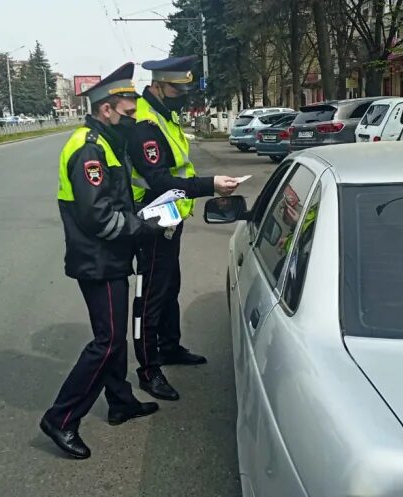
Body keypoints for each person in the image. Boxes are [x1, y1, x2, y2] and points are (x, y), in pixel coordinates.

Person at [40, 63, 163, 460]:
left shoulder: (108, 142)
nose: (133, 120)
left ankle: (121, 401)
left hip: (108, 255)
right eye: (128, 113)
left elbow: (118, 199)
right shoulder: (90, 148)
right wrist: (141, 227)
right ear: (107, 108)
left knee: (111, 337)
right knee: (107, 341)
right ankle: (61, 418)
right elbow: (97, 217)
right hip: (97, 258)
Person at [125, 55, 239, 401]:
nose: (183, 95)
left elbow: (179, 168)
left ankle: (169, 346)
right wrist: (211, 186)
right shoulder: (144, 123)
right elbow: (159, 180)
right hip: (151, 218)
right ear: (158, 85)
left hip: (171, 217)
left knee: (170, 285)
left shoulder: (165, 115)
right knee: (150, 297)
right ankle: (148, 370)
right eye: (178, 89)